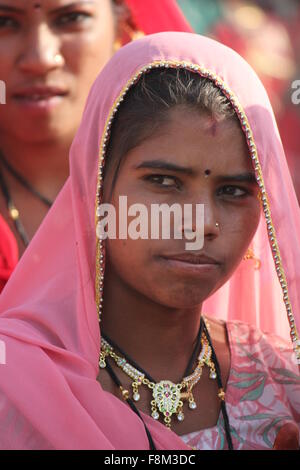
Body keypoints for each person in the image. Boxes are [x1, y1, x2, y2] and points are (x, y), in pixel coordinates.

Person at [0, 32, 299, 450]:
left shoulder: (284, 383)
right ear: (96, 188)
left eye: (233, 191)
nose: (201, 223)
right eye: (164, 181)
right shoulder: (15, 382)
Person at [0, 0, 192, 291]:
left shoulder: (189, 193)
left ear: (121, 27)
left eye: (71, 18)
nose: (41, 58)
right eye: (4, 22)